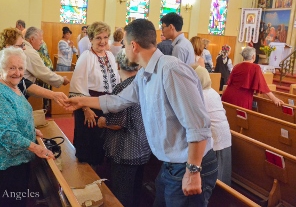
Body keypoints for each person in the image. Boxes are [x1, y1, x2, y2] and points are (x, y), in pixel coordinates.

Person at [66, 18, 217, 207]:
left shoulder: (171, 70)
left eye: (124, 45)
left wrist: (193, 171)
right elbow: (117, 101)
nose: (122, 49)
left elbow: (198, 125)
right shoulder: (145, 73)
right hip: (171, 164)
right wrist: (80, 101)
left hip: (188, 164)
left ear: (133, 45)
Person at [0, 28, 68, 154]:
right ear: (9, 47)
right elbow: (4, 130)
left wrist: (53, 95)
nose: (24, 48)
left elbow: (24, 83)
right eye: (21, 45)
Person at [0, 47, 55, 207]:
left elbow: (13, 117)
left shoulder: (11, 84)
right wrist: (37, 148)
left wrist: (31, 131)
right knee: (10, 202)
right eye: (11, 67)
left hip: (17, 157)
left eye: (20, 68)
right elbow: (6, 133)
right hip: (5, 162)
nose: (17, 73)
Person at [98, 49, 151, 207]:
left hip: (125, 151)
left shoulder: (122, 88)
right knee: (135, 191)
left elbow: (117, 124)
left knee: (122, 195)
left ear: (118, 64)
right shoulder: (145, 83)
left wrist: (102, 122)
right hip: (142, 147)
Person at [69, 21, 119, 166]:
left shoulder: (110, 55)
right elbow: (76, 86)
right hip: (89, 107)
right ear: (90, 39)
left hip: (107, 105)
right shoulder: (86, 57)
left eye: (105, 37)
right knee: (89, 151)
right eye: (98, 37)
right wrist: (86, 108)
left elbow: (115, 81)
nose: (102, 41)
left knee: (104, 150)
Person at [192, 65, 231, 186]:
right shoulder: (212, 91)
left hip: (216, 137)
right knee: (222, 169)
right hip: (223, 133)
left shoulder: (200, 95)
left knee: (216, 175)